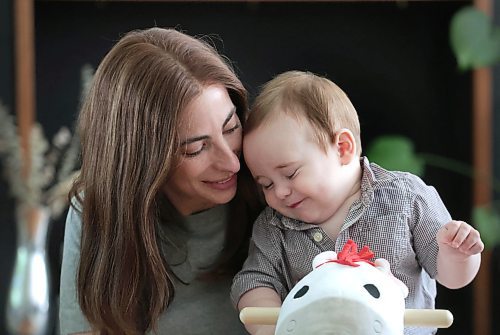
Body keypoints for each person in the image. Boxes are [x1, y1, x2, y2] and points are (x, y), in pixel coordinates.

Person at [230, 70, 484, 335]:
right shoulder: (273, 228)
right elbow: (254, 282)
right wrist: (268, 326)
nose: (280, 192)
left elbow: (453, 278)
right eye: (266, 184)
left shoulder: (406, 198)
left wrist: (458, 253)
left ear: (343, 148)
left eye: (291, 173)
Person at [59, 27, 262, 335]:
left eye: (231, 126)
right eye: (196, 148)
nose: (231, 162)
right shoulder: (96, 208)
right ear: (143, 163)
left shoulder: (273, 182)